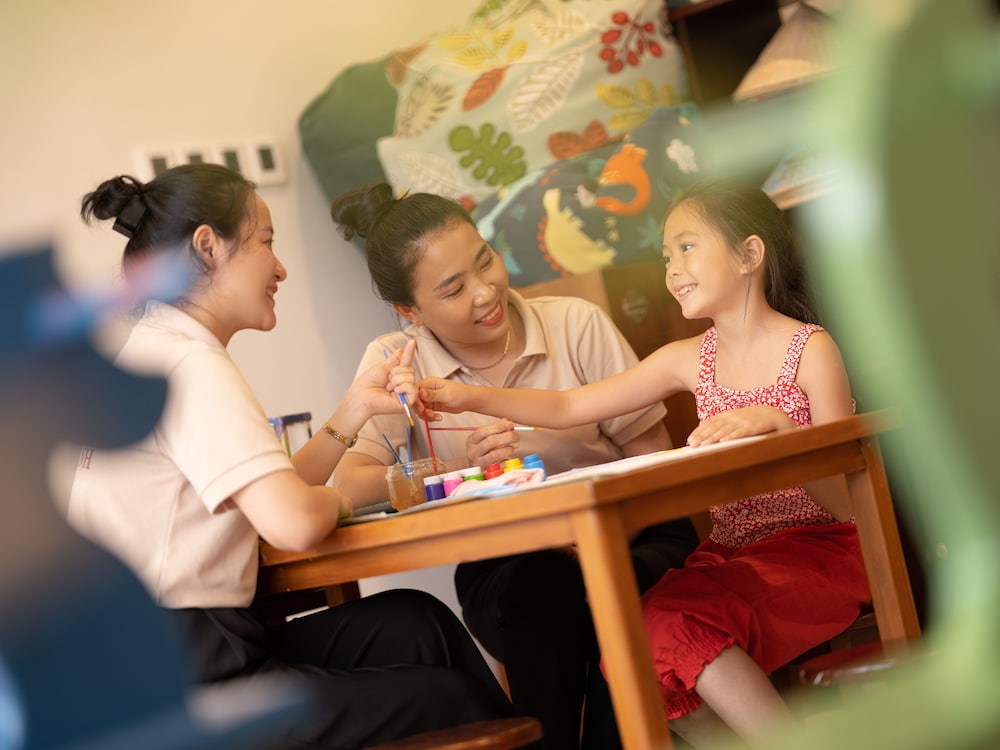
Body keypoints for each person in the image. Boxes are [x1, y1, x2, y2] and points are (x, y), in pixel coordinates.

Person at [67, 164, 514, 750]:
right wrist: (344, 497)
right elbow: (293, 521)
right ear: (208, 247)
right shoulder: (190, 366)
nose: (280, 268)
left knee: (414, 623)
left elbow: (265, 495)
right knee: (454, 700)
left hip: (143, 666)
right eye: (266, 241)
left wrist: (352, 412)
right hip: (184, 681)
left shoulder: (150, 353)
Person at [416, 179, 872, 747]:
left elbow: (848, 504)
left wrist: (781, 428)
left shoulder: (810, 349)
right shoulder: (688, 359)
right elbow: (569, 406)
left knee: (671, 627)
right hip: (733, 556)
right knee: (631, 645)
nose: (672, 269)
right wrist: (470, 397)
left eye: (687, 247)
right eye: (665, 256)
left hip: (822, 551)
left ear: (749, 254)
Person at [329, 183, 699, 750]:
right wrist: (463, 467)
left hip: (634, 532)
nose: (485, 292)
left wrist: (590, 542)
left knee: (605, 598)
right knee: (543, 591)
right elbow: (351, 485)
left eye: (485, 261)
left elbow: (654, 465)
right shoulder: (396, 362)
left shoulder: (576, 324)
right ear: (410, 311)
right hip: (510, 568)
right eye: (454, 289)